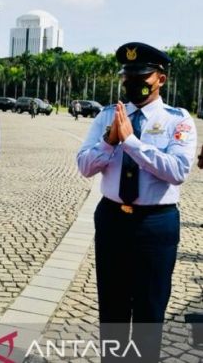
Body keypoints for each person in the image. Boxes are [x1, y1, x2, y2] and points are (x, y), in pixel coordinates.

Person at [77, 42, 197, 362]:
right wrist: (109, 141)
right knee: (112, 306)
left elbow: (178, 170)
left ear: (161, 79)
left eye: (141, 74)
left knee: (149, 307)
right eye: (127, 75)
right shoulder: (107, 116)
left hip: (154, 224)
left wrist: (131, 142)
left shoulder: (177, 120)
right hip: (112, 218)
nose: (132, 81)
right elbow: (85, 166)